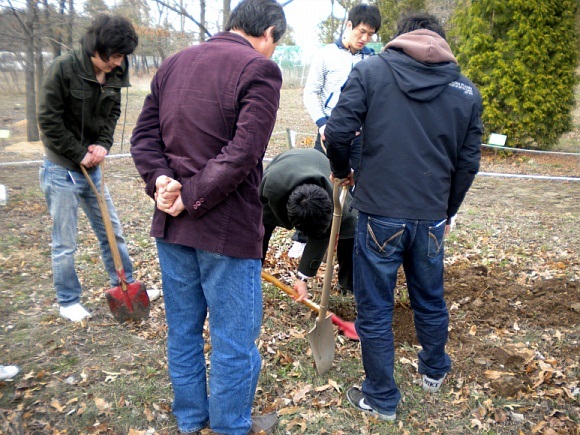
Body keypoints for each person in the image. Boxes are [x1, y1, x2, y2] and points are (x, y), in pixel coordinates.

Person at [130, 1, 286, 433]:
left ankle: (191, 420)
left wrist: (161, 180)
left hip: (174, 224)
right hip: (224, 229)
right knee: (232, 339)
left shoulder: (174, 62)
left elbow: (142, 138)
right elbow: (243, 153)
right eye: (275, 43)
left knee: (183, 331)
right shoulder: (259, 69)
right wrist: (175, 189)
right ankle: (228, 426)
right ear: (269, 33)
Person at [324, 13, 483, 421]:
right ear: (440, 42)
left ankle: (381, 397)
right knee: (429, 297)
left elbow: (337, 131)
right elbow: (468, 162)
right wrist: (447, 210)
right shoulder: (466, 91)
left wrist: (342, 170)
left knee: (375, 307)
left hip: (381, 212)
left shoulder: (371, 72)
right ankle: (434, 370)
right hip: (430, 215)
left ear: (400, 39)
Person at [37, 14, 157, 323]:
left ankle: (126, 286)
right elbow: (48, 120)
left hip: (93, 166)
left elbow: (113, 111)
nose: (118, 63)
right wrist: (79, 152)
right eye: (113, 55)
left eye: (122, 56)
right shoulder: (63, 69)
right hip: (61, 168)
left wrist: (103, 144)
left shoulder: (117, 69)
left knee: (111, 231)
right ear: (95, 47)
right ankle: (68, 301)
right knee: (65, 242)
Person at [260, 148, 356, 299]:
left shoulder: (337, 202)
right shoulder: (270, 186)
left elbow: (322, 235)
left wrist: (302, 278)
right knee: (259, 228)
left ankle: (347, 286)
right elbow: (250, 218)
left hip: (319, 165)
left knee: (350, 228)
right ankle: (252, 269)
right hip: (284, 170)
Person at [303, 3, 381, 172]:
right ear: (349, 25)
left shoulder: (373, 60)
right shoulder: (326, 54)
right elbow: (310, 92)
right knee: (323, 179)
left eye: (370, 34)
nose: (365, 38)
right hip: (330, 130)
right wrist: (322, 124)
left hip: (360, 137)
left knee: (359, 182)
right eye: (362, 31)